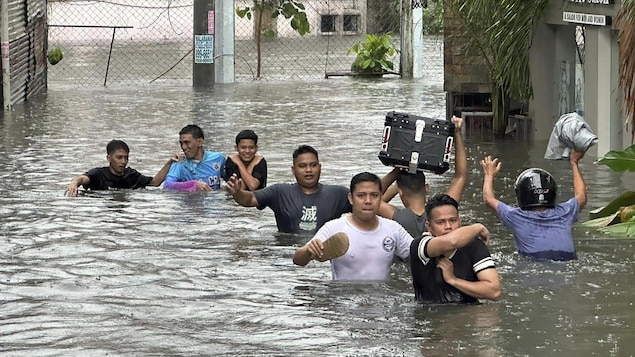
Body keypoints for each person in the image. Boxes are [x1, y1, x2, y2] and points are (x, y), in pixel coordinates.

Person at [292, 172, 413, 280]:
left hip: (381, 300)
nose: (368, 201)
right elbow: (298, 261)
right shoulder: (334, 227)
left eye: (374, 195)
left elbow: (418, 253)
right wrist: (308, 251)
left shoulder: (393, 229)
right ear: (351, 198)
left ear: (380, 198)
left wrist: (427, 241)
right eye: (361, 195)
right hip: (344, 300)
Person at [481, 150, 587, 261]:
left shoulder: (515, 217)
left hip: (534, 262)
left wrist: (489, 175)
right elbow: (582, 196)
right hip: (567, 260)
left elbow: (488, 199)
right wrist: (574, 163)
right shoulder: (565, 213)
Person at [226, 145, 351, 233]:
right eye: (302, 166)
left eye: (313, 165)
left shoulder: (338, 194)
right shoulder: (279, 192)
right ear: (293, 170)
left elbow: (366, 210)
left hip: (324, 256)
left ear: (320, 167)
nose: (308, 170)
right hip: (287, 256)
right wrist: (237, 193)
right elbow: (249, 199)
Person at [379, 116, 467, 238]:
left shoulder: (396, 217)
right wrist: (457, 132)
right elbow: (460, 176)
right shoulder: (442, 213)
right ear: (426, 187)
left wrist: (397, 170)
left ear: (400, 192)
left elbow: (372, 197)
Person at [410, 194, 501, 303]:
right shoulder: (420, 245)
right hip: (431, 315)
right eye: (440, 222)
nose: (448, 226)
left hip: (469, 314)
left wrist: (453, 280)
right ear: (429, 226)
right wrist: (478, 227)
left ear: (459, 221)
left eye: (453, 220)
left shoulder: (474, 246)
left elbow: (494, 291)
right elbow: (452, 241)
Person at [65, 139, 176, 197]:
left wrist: (170, 162)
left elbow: (155, 182)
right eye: (119, 158)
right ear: (109, 158)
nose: (123, 162)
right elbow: (81, 179)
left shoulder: (132, 175)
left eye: (126, 158)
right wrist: (74, 184)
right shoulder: (98, 174)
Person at [164, 124, 226, 191]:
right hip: (191, 200)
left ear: (199, 142)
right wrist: (193, 185)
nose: (183, 147)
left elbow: (230, 179)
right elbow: (167, 186)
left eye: (187, 143)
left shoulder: (218, 158)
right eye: (181, 143)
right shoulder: (179, 163)